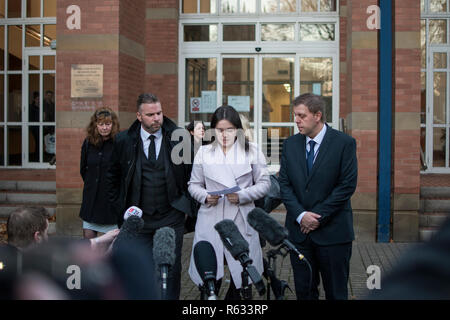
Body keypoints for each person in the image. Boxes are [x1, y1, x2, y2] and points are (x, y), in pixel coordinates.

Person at [106, 93, 194, 300]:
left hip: (171, 215)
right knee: (140, 270)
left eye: (159, 113)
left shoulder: (179, 138)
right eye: (151, 114)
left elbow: (191, 175)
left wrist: (188, 207)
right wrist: (120, 211)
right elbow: (112, 178)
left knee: (170, 270)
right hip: (138, 220)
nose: (157, 118)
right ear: (139, 116)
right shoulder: (123, 140)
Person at [278, 93, 357, 300]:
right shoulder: (290, 145)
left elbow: (346, 186)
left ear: (318, 115)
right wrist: (300, 215)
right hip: (299, 235)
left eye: (301, 115)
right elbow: (284, 185)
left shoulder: (344, 143)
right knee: (304, 293)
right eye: (295, 115)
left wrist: (316, 217)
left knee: (336, 293)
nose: (296, 120)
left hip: (334, 234)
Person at [188, 105, 271, 300]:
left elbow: (265, 183)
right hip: (211, 218)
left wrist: (243, 195)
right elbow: (193, 185)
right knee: (209, 276)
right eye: (219, 130)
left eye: (230, 130)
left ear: (238, 130)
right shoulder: (204, 152)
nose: (224, 135)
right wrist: (206, 196)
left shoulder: (252, 151)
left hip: (241, 219)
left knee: (241, 278)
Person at [80, 107, 120, 240]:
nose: (104, 128)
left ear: (113, 125)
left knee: (110, 247)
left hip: (111, 203)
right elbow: (83, 170)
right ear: (95, 125)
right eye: (101, 124)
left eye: (108, 124)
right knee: (89, 244)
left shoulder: (119, 143)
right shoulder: (88, 143)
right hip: (91, 201)